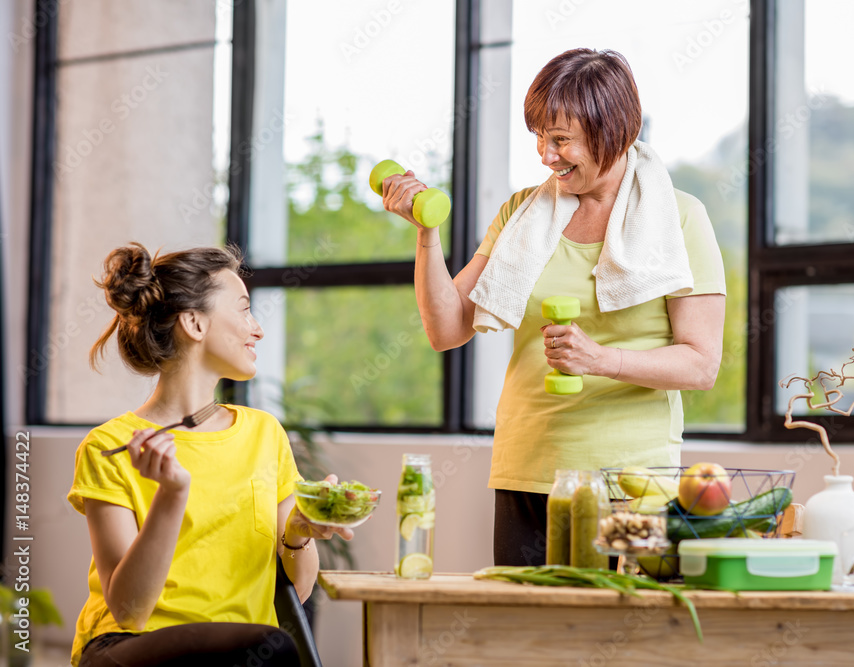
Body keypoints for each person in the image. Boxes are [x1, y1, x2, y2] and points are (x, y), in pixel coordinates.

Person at [381, 48, 726, 566]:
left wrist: (601, 360)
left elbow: (701, 364)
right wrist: (427, 234)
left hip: (630, 479)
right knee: (524, 637)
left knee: (617, 637)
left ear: (616, 132)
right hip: (528, 465)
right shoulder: (522, 214)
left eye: (561, 140)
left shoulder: (680, 219)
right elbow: (448, 327)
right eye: (539, 137)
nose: (546, 155)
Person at [67, 243, 353, 666]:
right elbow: (128, 611)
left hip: (245, 649)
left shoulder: (263, 433)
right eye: (243, 309)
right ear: (195, 323)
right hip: (127, 647)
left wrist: (298, 531)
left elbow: (302, 587)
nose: (257, 329)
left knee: (269, 646)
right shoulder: (109, 446)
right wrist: (171, 494)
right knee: (273, 648)